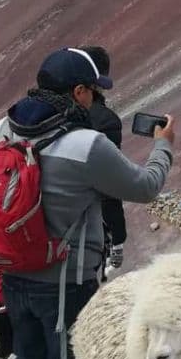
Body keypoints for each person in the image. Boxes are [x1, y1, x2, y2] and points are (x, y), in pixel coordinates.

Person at [0, 47, 174, 359]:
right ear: (80, 92)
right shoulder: (86, 145)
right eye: (93, 92)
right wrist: (165, 144)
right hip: (66, 279)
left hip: (13, 271)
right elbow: (145, 187)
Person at [80, 46, 126, 273]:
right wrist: (118, 238)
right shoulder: (105, 122)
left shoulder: (34, 118)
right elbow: (109, 187)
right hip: (83, 237)